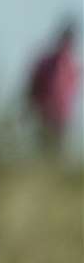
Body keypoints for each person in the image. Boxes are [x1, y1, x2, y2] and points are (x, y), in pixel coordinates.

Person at [25, 18, 79, 158]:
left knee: (56, 152)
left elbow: (71, 93)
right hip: (44, 115)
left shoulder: (71, 66)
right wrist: (30, 107)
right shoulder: (45, 63)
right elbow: (32, 87)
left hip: (61, 117)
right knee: (43, 150)